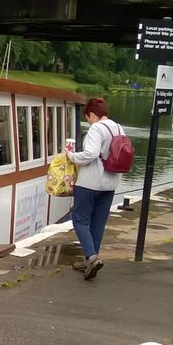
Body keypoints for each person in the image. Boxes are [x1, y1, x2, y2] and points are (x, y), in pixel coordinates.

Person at [66, 98, 124, 280]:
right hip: (110, 183)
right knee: (98, 223)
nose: (88, 121)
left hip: (90, 182)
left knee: (79, 220)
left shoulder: (96, 128)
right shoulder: (119, 128)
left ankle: (91, 257)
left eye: (87, 118)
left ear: (91, 114)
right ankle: (89, 261)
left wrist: (72, 156)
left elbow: (90, 154)